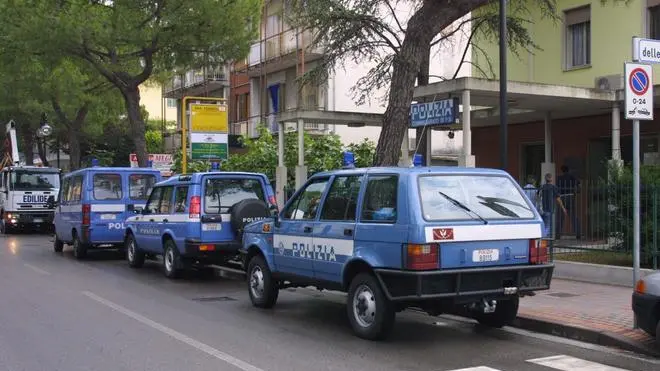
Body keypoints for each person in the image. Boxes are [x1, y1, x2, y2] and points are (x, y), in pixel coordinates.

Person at [538, 173, 567, 238]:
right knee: (548, 226)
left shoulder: (542, 187)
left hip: (541, 209)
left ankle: (544, 238)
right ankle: (544, 239)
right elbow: (558, 199)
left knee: (543, 225)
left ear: (545, 179)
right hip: (549, 208)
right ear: (551, 179)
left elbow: (537, 197)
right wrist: (563, 208)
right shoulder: (553, 187)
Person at [556, 165, 581, 239]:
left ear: (562, 170)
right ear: (568, 170)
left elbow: (557, 188)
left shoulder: (559, 178)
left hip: (562, 197)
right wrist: (577, 190)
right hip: (570, 197)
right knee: (573, 216)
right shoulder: (572, 177)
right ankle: (578, 233)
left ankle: (558, 235)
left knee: (560, 217)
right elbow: (579, 184)